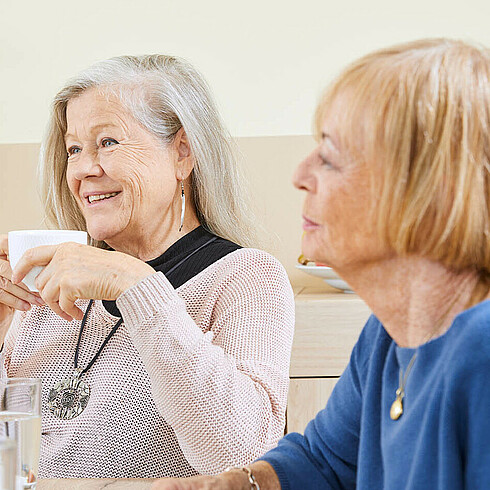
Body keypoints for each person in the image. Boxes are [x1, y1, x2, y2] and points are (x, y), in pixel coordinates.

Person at [151, 38, 490, 489]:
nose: (300, 175)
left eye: (329, 157)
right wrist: (229, 484)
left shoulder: (481, 356)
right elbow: (324, 462)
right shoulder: (388, 336)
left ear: (424, 192)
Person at [0, 55, 295, 479]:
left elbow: (242, 461)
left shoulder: (246, 278)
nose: (84, 169)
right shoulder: (50, 281)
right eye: (74, 149)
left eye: (108, 142)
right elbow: (11, 458)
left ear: (182, 154)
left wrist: (136, 285)